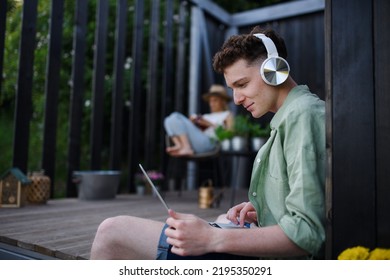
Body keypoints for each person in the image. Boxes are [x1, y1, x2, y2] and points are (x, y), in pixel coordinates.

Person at [90, 26, 326, 260]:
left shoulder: (301, 115)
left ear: (274, 71)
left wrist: (211, 238)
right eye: (232, 89)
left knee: (111, 232)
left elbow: (306, 233)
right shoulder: (289, 117)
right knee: (224, 220)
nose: (236, 99)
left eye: (242, 85)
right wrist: (266, 208)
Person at [164, 84, 234, 157]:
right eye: (210, 101)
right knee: (168, 120)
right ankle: (179, 145)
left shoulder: (227, 115)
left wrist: (209, 124)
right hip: (197, 141)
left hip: (211, 143)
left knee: (176, 115)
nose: (211, 104)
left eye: (215, 100)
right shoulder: (206, 116)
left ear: (223, 101)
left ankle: (186, 147)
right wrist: (191, 123)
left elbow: (229, 134)